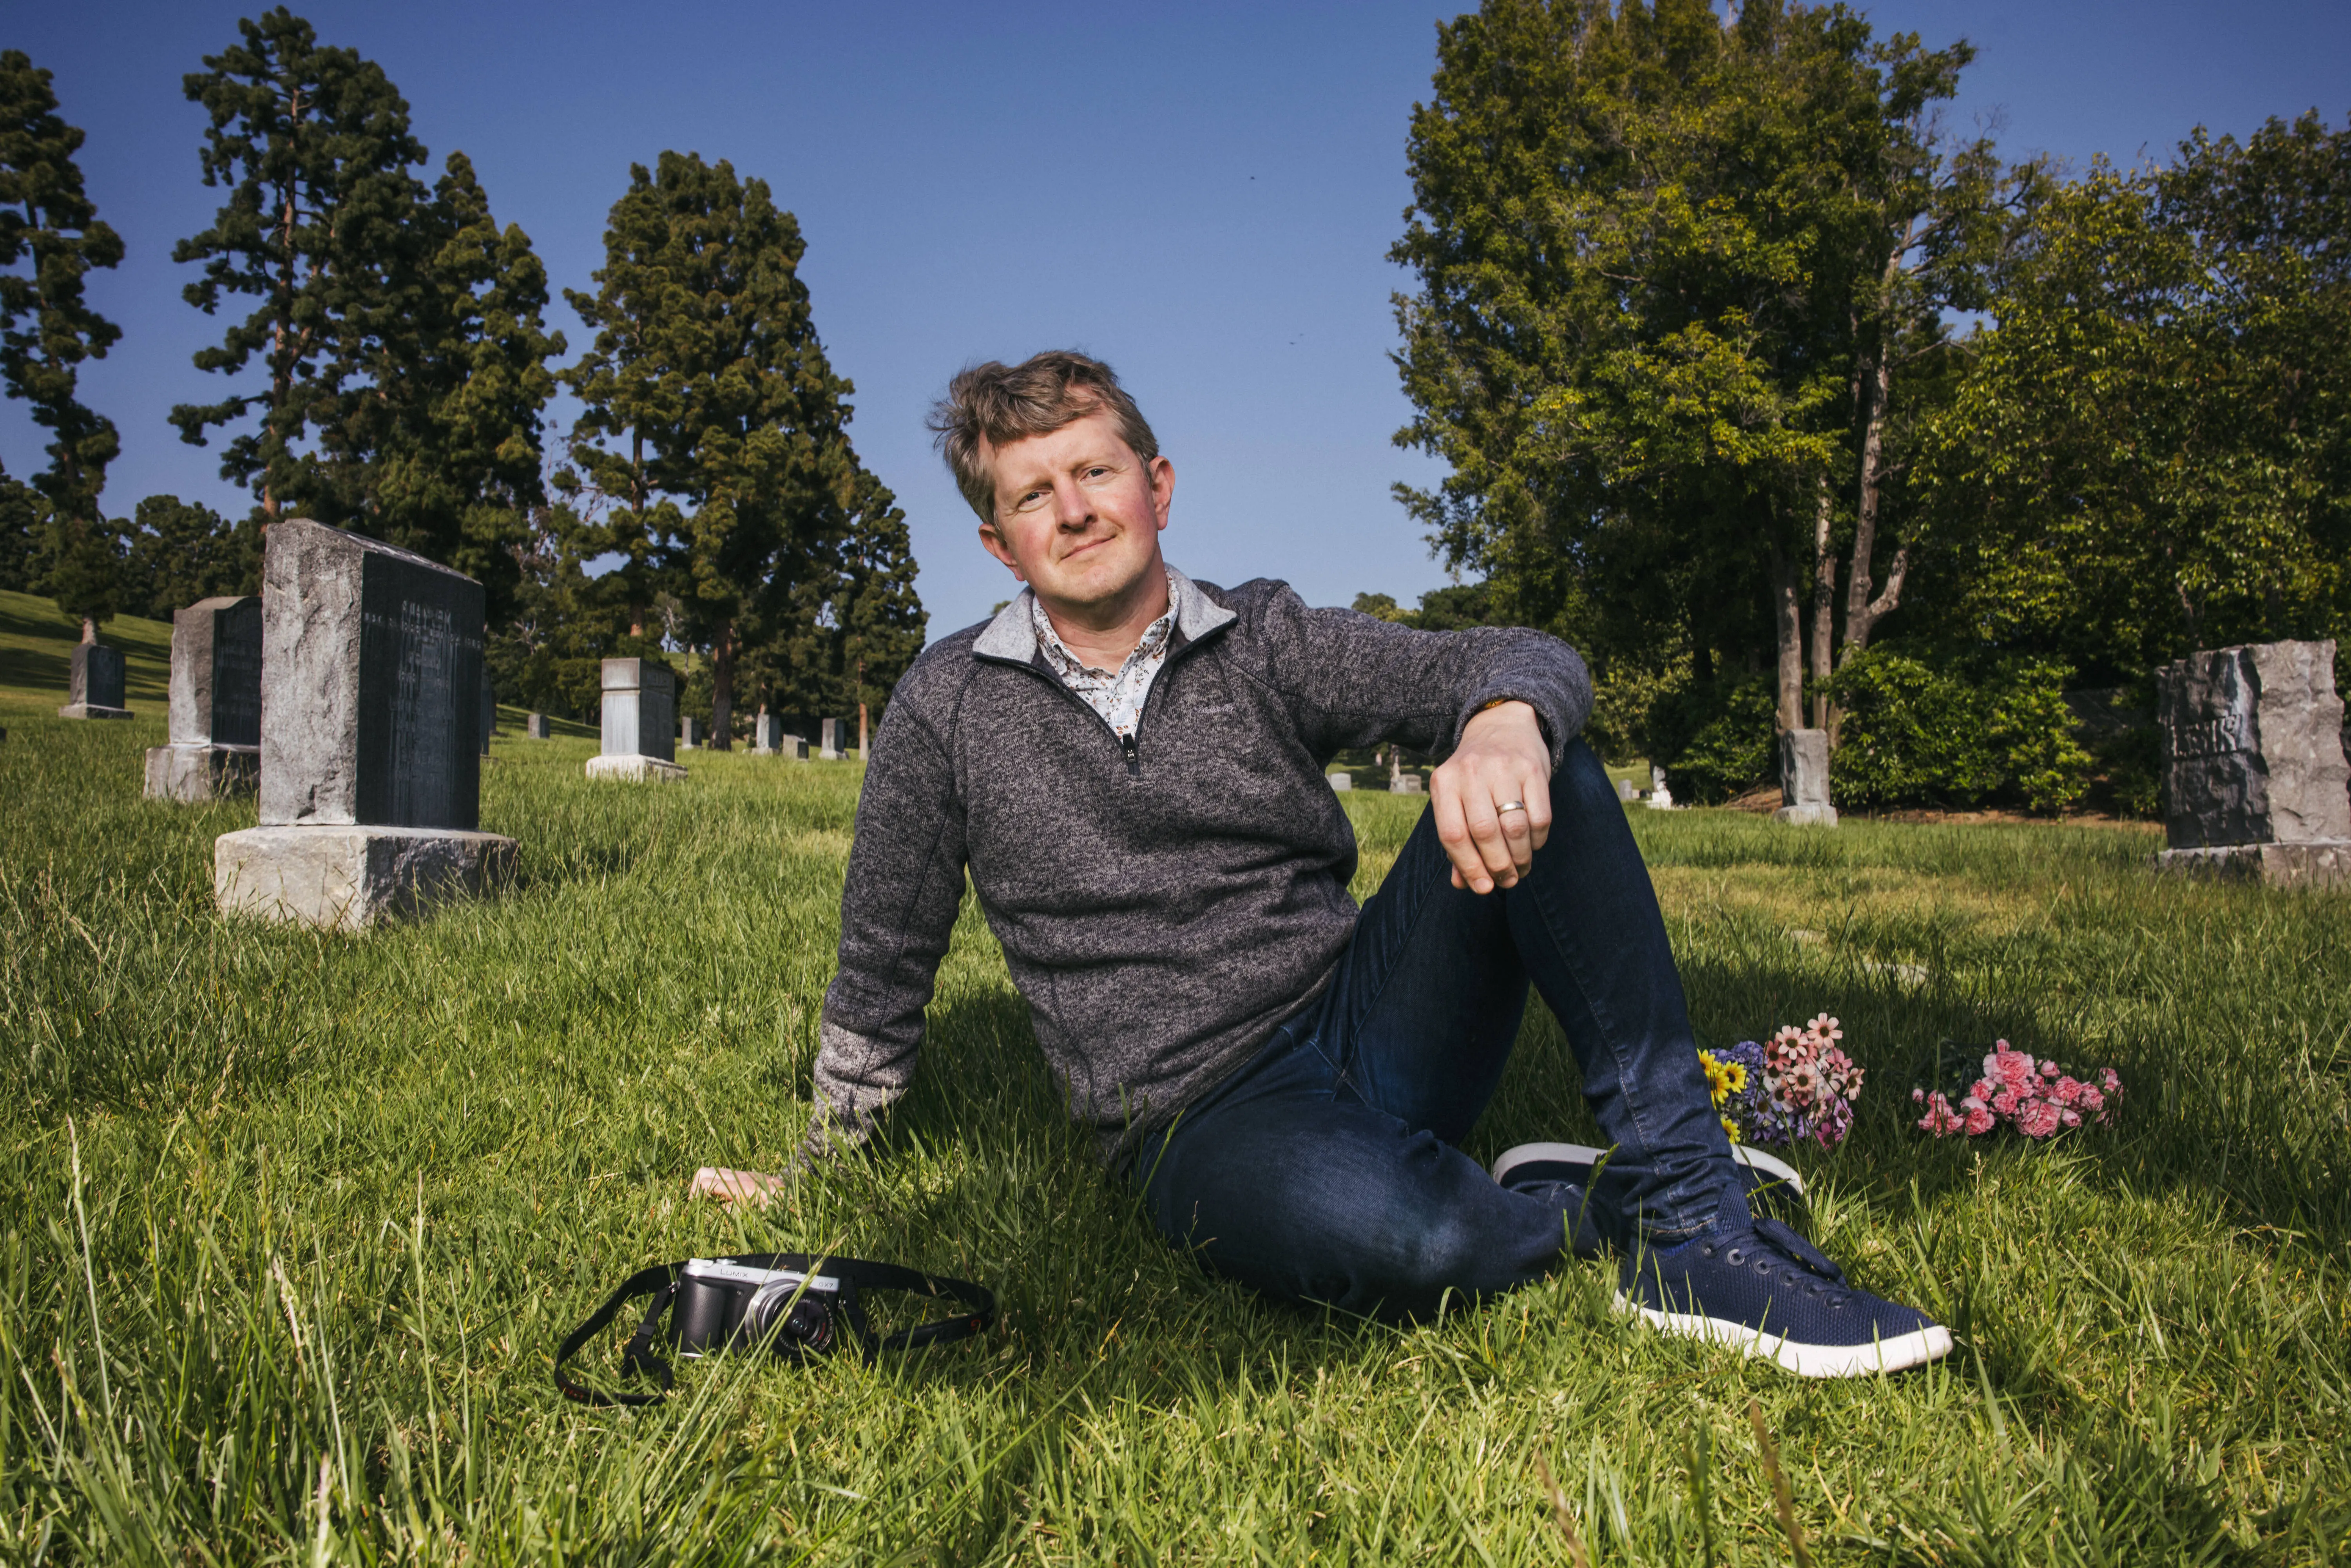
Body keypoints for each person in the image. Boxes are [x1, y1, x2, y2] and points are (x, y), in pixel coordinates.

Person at [696, 350, 1951, 1379]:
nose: (1074, 509)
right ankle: (1583, 1211)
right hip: (1193, 1111)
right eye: (1035, 495)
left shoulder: (1263, 637)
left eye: (1096, 471)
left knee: (1545, 764)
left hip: (1369, 1012)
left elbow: (1523, 652)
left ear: (1159, 486)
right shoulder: (947, 705)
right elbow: (885, 951)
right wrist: (822, 1162)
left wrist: (1504, 721)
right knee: (1399, 1237)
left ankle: (1690, 1216)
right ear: (998, 544)